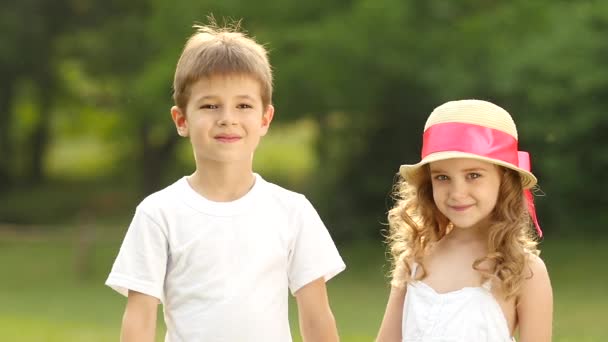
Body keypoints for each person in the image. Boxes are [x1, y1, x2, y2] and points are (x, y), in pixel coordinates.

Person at [106, 21, 345, 342]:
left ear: (264, 119)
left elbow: (317, 318)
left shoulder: (292, 212)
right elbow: (139, 319)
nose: (227, 118)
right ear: (181, 119)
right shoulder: (159, 213)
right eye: (210, 105)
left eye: (243, 105)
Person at [376, 99, 553, 342]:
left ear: (505, 181)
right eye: (442, 177)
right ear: (429, 183)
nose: (457, 193)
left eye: (473, 175)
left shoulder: (524, 270)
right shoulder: (415, 259)